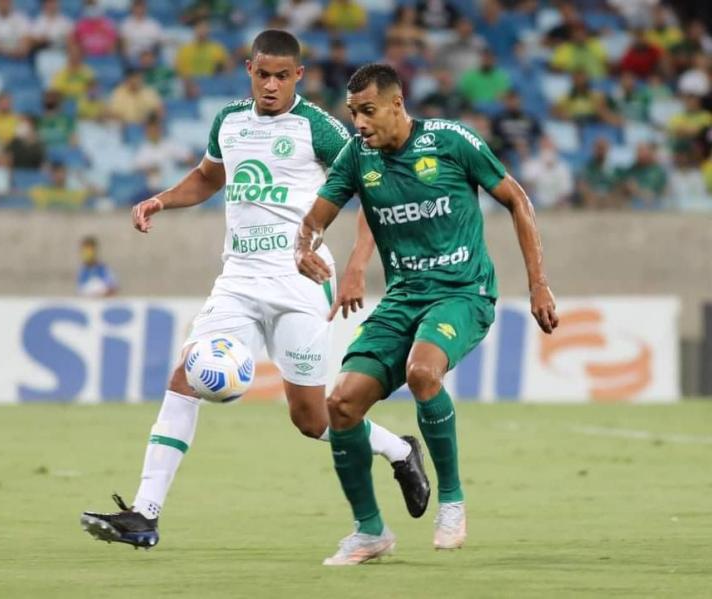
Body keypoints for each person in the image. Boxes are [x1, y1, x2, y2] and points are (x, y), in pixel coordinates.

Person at [80, 30, 428, 550]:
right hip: (238, 280)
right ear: (249, 69)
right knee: (184, 376)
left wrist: (356, 265)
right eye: (262, 74)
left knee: (311, 420)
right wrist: (161, 200)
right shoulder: (229, 122)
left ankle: (398, 450)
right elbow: (206, 178)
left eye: (281, 76)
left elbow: (371, 187)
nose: (270, 85)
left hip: (299, 282)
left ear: (298, 77)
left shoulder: (319, 129)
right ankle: (145, 514)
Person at [294, 63, 559, 566]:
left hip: (463, 291)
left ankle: (453, 500)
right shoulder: (357, 157)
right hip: (403, 297)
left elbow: (517, 201)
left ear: (398, 104)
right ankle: (369, 531)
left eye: (368, 111)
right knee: (342, 404)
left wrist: (539, 285)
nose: (359, 124)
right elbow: (313, 221)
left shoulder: (452, 141)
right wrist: (304, 249)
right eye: (353, 114)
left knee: (422, 371)